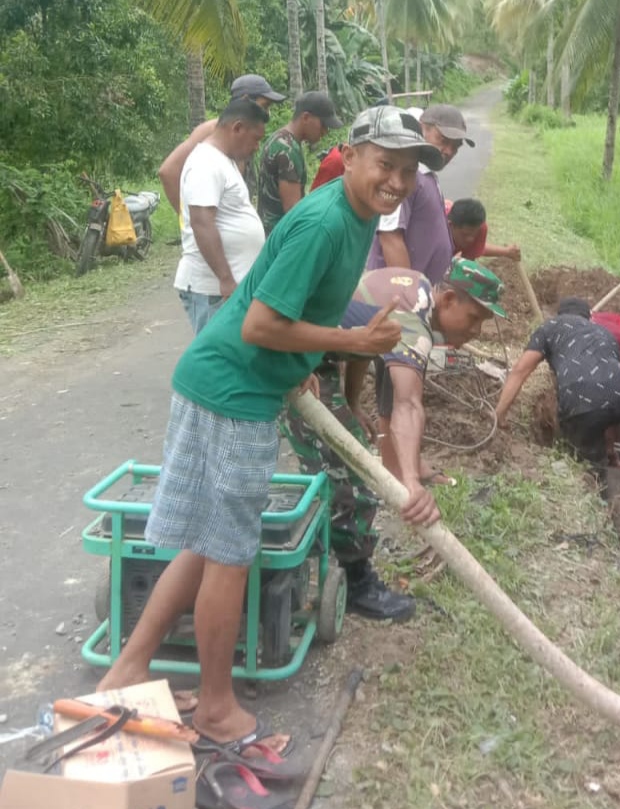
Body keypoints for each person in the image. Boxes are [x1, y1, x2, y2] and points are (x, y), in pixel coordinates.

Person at [96, 105, 443, 755]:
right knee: (230, 551)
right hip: (234, 390)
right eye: (385, 164)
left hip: (236, 381)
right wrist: (345, 340)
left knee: (206, 544)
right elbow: (258, 323)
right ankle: (218, 708)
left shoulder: (356, 218)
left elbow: (295, 310)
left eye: (408, 172)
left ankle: (129, 669)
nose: (396, 180)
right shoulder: (324, 221)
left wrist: (304, 362)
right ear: (353, 153)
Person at [282, 258, 506, 621]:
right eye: (475, 317)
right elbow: (408, 403)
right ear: (448, 300)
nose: (477, 331)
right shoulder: (413, 323)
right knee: (353, 475)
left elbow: (364, 342)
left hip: (310, 351)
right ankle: (355, 583)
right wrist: (411, 482)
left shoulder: (413, 287)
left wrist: (353, 403)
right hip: (289, 359)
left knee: (335, 462)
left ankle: (317, 553)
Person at [495, 297, 620, 496]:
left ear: (560, 315)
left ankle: (598, 478)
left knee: (589, 461)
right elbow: (606, 385)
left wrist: (499, 414)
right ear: (589, 317)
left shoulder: (548, 327)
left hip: (579, 401)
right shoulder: (603, 331)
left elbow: (520, 371)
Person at [174, 99, 269, 334]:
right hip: (213, 291)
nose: (257, 146)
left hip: (224, 289)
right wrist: (225, 279)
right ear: (237, 128)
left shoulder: (224, 160)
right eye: (255, 138)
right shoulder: (206, 163)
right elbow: (202, 222)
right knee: (217, 363)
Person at [366, 104, 475, 283]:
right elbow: (390, 238)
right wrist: (408, 296)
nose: (449, 151)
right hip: (396, 297)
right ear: (421, 128)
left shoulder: (427, 175)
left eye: (456, 146)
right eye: (443, 140)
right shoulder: (404, 179)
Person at [159, 75, 286, 216]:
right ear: (246, 100)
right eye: (265, 106)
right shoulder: (211, 131)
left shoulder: (245, 136)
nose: (267, 113)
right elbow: (168, 172)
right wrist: (188, 220)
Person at [257, 91, 343, 235]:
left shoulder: (279, 138)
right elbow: (293, 212)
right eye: (323, 125)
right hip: (278, 236)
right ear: (306, 118)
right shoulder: (288, 150)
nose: (325, 131)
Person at [445, 198, 521, 262]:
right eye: (465, 234)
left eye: (474, 235)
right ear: (451, 225)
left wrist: (507, 252)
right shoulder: (437, 232)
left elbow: (467, 263)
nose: (470, 239)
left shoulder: (480, 227)